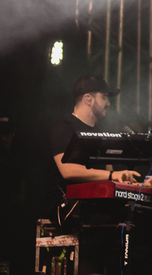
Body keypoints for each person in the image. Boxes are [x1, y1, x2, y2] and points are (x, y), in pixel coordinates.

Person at [46, 75, 146, 215]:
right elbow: (68, 171)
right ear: (88, 99)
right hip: (67, 207)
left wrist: (142, 186)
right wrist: (113, 175)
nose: (108, 103)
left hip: (95, 205)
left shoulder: (101, 134)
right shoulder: (64, 127)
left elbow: (110, 178)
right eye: (104, 97)